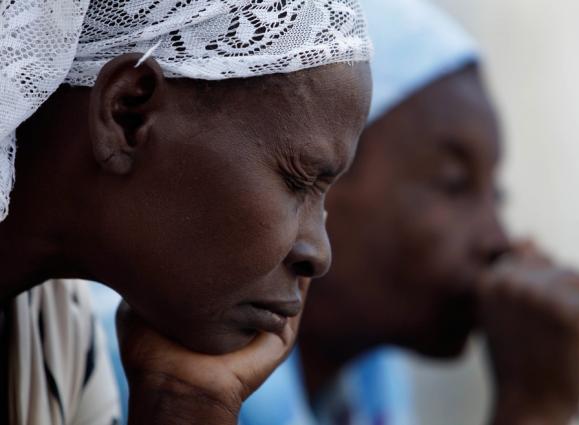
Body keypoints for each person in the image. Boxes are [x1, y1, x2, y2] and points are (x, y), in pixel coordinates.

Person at [0, 1, 372, 424]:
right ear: (128, 113)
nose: (318, 255)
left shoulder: (60, 335)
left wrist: (186, 400)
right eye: (298, 181)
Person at [240, 0, 579, 424]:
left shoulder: (371, 389)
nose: (498, 240)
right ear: (314, 179)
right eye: (455, 184)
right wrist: (537, 406)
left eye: (497, 194)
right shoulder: (186, 394)